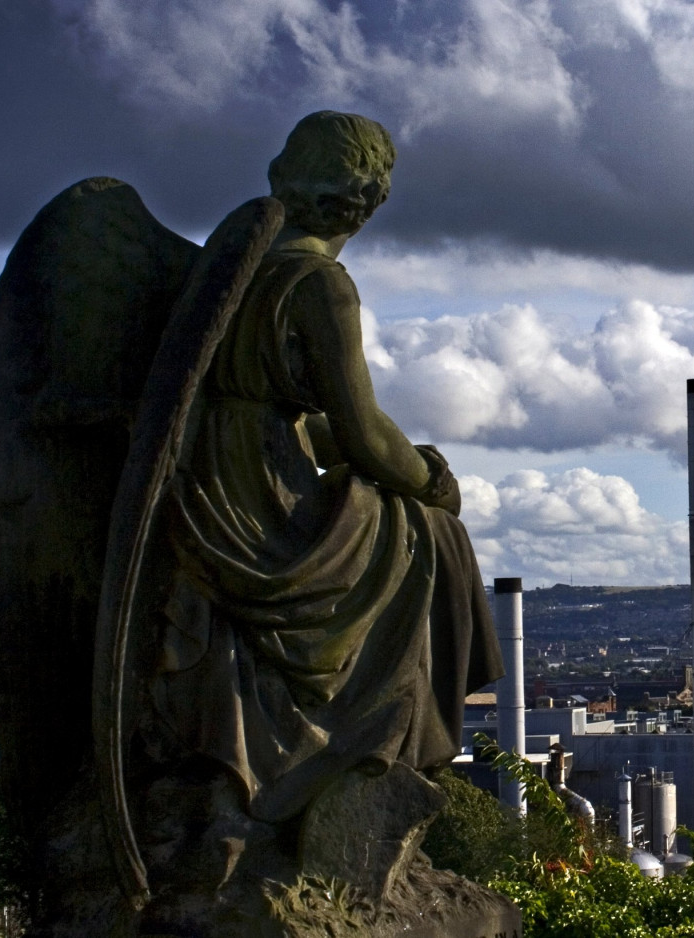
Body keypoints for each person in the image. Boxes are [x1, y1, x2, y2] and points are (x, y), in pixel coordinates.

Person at [147, 111, 501, 826]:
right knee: (430, 534)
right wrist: (433, 477)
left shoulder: (229, 272)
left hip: (207, 486)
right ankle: (386, 745)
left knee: (404, 523)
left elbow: (311, 424)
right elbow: (363, 433)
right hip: (263, 496)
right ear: (363, 200)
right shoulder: (318, 283)